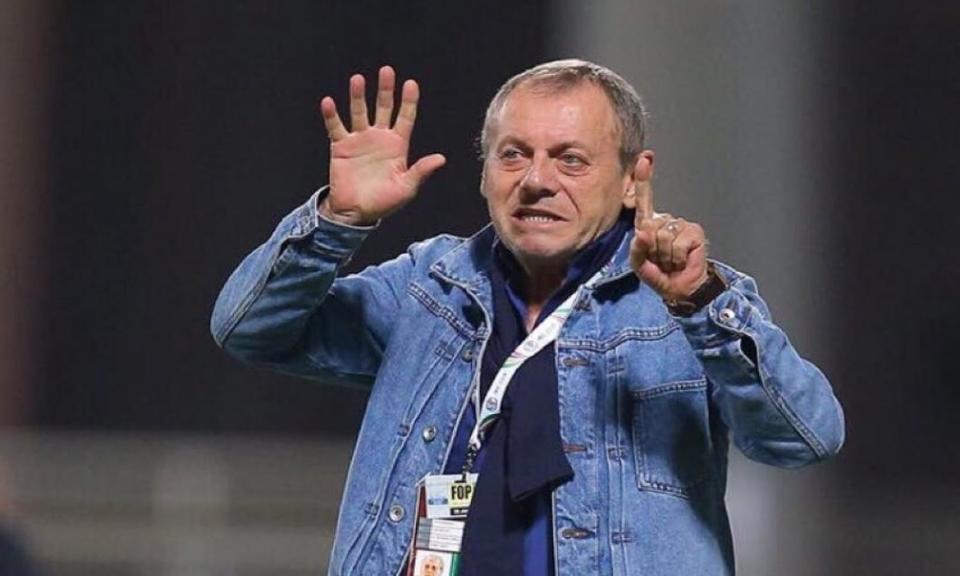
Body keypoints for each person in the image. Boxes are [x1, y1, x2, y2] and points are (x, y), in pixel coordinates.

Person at [211, 60, 845, 575]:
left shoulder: (687, 299)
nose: (536, 180)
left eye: (571, 159)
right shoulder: (430, 287)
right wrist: (337, 223)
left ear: (633, 179)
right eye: (513, 155)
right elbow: (250, 329)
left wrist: (701, 306)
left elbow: (806, 438)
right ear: (484, 173)